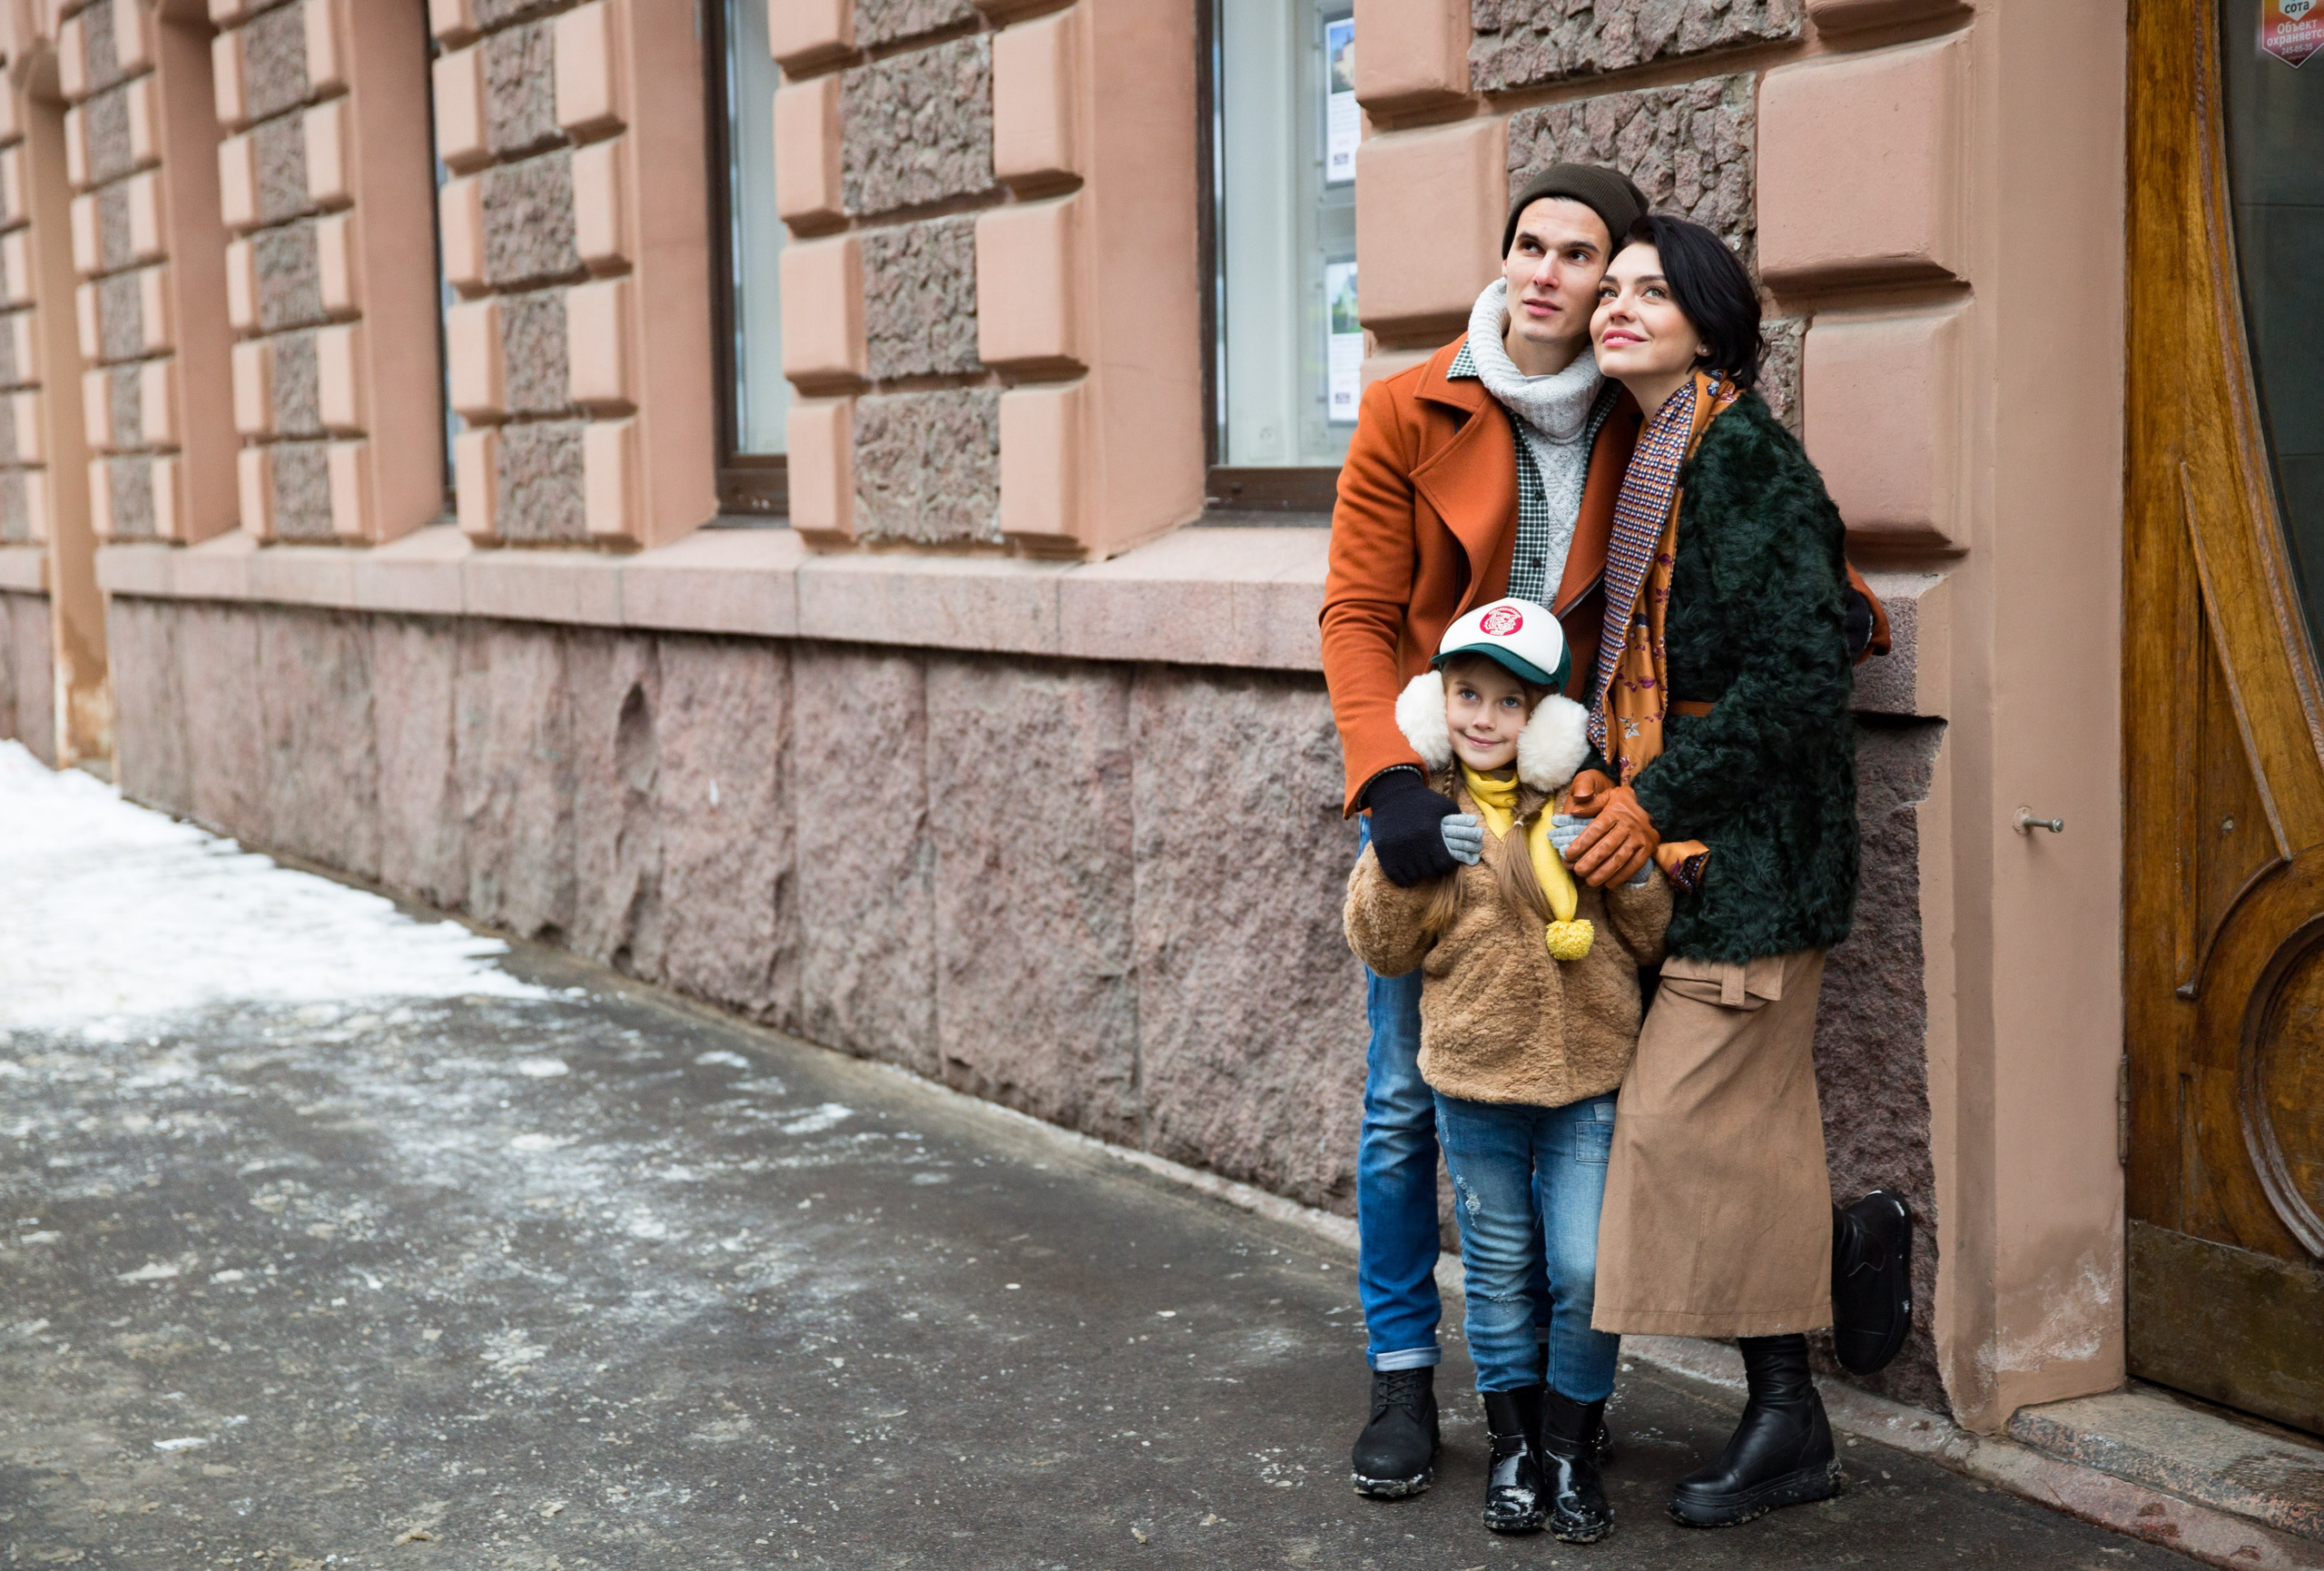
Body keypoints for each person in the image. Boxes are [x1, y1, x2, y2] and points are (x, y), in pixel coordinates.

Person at [1557, 213, 1915, 1528]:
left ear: (1713, 322)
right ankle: (1787, 1414)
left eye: (1655, 290)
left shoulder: (1743, 454)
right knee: (1732, 1135)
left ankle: (1815, 1344)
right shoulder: (1655, 450)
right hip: (1700, 859)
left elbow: (1797, 676)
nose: (1618, 305)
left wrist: (1649, 802)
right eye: (1615, 287)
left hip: (1756, 861)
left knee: (1675, 1128)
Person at [1321, 163, 1650, 1502]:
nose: (1547, 272)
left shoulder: (1648, 415)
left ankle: (1563, 1398)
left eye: (1579, 254)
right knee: (1403, 1100)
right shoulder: (1413, 404)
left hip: (1577, 800)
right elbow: (1355, 612)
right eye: (1531, 244)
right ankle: (1404, 1372)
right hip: (1436, 798)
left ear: (1613, 280)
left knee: (1583, 1105)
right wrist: (1389, 781)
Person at [1344, 599, 1669, 1542]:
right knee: (1496, 1267)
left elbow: (1647, 935)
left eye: (1509, 702)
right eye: (1465, 694)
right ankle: (1516, 1447)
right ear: (1433, 701)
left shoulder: (1579, 803)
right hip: (1475, 1084)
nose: (1483, 717)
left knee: (1582, 1265)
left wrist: (1628, 866)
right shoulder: (1428, 812)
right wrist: (1400, 861)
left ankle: (1574, 1441)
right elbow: (1383, 949)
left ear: (1549, 721)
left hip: (1583, 1080)